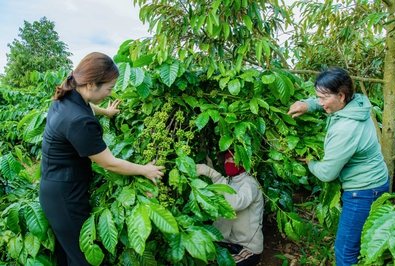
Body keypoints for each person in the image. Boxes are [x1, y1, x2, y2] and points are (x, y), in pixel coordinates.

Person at [39, 52, 165, 266]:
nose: (111, 92)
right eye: (109, 88)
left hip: (56, 188)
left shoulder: (70, 92)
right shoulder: (79, 122)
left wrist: (105, 112)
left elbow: (86, 106)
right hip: (64, 197)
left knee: (68, 254)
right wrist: (145, 170)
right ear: (91, 84)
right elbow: (109, 162)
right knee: (83, 259)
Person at [287, 67, 389, 266]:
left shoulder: (345, 129)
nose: (320, 102)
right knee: (363, 246)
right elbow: (326, 104)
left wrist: (311, 163)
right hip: (377, 181)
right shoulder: (358, 102)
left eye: (323, 98)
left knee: (345, 253)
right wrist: (307, 105)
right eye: (318, 97)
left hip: (363, 192)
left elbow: (327, 173)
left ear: (341, 96)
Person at [196, 150, 264, 266]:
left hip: (247, 247)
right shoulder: (228, 181)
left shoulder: (250, 184)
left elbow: (234, 204)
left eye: (233, 159)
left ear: (242, 162)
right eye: (227, 159)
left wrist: (212, 174)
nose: (228, 162)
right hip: (225, 242)